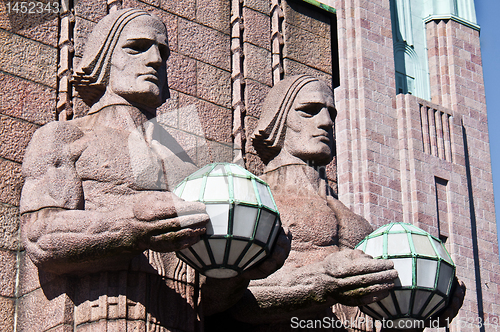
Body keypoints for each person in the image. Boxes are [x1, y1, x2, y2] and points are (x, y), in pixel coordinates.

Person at [20, 8, 288, 331]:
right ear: (103, 59)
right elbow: (41, 235)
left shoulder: (188, 161)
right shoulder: (67, 136)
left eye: (162, 52)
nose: (155, 59)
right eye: (137, 47)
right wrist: (131, 225)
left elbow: (205, 297)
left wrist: (241, 268)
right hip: (99, 317)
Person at [225, 75, 465, 331]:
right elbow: (230, 296)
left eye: (331, 114)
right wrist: (322, 283)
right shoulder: (257, 199)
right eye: (309, 111)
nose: (326, 122)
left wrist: (415, 311)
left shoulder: (357, 221)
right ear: (278, 119)